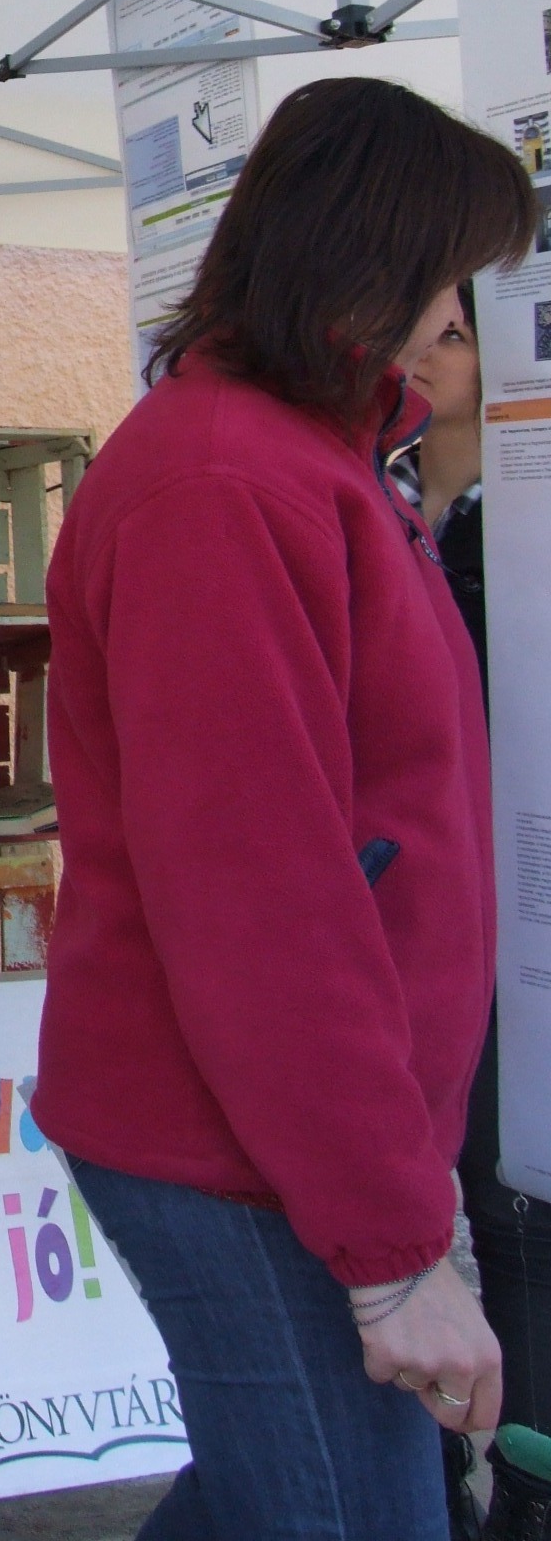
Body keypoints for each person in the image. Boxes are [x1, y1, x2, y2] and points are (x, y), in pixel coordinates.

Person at [33, 78, 536, 1539]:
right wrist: (390, 1251)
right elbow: (261, 897)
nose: (453, 317)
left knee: (280, 1496)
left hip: (294, 1138)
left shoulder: (309, 461)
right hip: (242, 1144)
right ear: (374, 257)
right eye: (447, 275)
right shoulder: (225, 480)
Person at [393, 289, 551, 1533]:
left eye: (453, 333)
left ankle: (519, 1483)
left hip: (516, 901)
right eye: (422, 328)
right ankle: (438, 1484)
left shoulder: (524, 512)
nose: (425, 352)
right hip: (413, 897)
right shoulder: (377, 496)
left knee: (505, 1199)